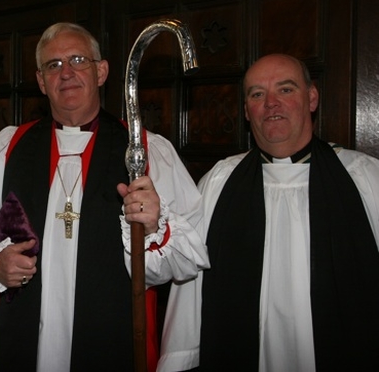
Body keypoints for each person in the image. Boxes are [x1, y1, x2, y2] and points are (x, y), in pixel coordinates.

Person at [0, 22, 209, 372]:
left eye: (78, 60)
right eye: (53, 65)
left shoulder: (147, 151)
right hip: (21, 342)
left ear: (102, 71)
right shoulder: (10, 147)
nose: (66, 73)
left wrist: (155, 227)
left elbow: (188, 259)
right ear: (41, 81)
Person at [158, 53, 379, 371]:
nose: (270, 103)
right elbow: (190, 287)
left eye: (286, 90)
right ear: (247, 110)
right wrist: (179, 360)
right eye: (257, 94)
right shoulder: (219, 182)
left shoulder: (364, 178)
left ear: (312, 97)